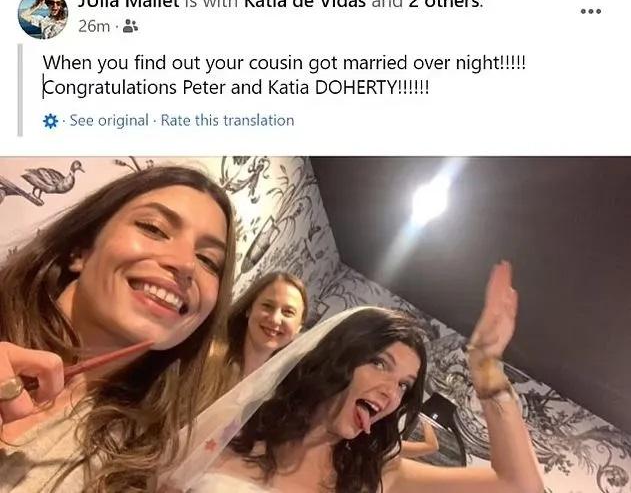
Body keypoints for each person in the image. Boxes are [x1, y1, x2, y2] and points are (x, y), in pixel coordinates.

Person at [163, 261, 544, 493]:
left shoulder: (375, 477)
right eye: (380, 364)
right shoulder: (237, 429)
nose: (392, 393)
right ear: (336, 359)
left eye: (404, 385)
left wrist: (486, 368)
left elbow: (519, 486)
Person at [0, 165, 236, 492]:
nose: (185, 264)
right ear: (81, 249)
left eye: (208, 260)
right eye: (154, 229)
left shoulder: (149, 466)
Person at [200, 271, 308, 407]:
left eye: (288, 312)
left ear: (299, 327)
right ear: (249, 309)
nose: (275, 319)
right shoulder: (208, 357)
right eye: (267, 306)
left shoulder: (280, 391)